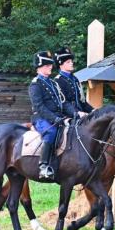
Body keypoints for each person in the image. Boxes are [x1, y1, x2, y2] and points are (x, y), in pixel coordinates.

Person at [29, 51, 78, 179]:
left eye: (50, 65)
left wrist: (75, 114)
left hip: (58, 116)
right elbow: (39, 107)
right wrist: (55, 119)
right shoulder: (35, 84)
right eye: (46, 65)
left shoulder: (53, 83)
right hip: (41, 118)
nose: (50, 67)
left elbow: (63, 102)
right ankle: (43, 166)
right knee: (51, 132)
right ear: (39, 68)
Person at [53, 47, 94, 113]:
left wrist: (93, 110)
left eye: (71, 61)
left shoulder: (75, 79)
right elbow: (64, 103)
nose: (71, 63)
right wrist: (77, 113)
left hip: (81, 113)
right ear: (61, 65)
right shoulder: (57, 81)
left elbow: (82, 102)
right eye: (68, 62)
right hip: (68, 114)